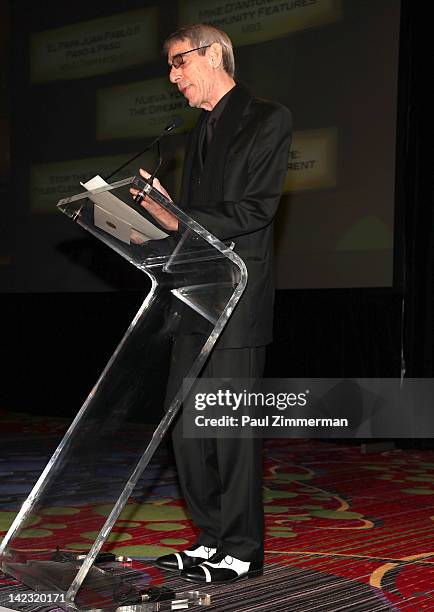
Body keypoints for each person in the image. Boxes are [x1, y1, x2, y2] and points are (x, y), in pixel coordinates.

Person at [130, 23, 292, 584]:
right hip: (194, 298)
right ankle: (210, 540)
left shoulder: (266, 117)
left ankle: (242, 547)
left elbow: (255, 211)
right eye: (169, 67)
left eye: (178, 63)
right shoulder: (197, 130)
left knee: (230, 431)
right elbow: (197, 220)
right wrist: (161, 213)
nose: (173, 77)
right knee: (187, 430)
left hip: (237, 300)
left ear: (212, 54)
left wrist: (181, 217)